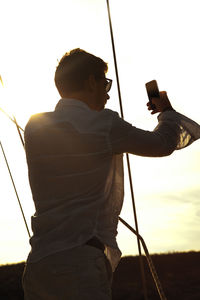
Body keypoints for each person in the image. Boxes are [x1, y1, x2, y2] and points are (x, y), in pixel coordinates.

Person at [22, 48, 200, 300]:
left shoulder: (35, 126)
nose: (107, 94)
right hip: (79, 265)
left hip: (39, 265)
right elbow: (162, 144)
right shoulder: (103, 125)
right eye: (105, 83)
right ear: (90, 82)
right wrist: (166, 113)